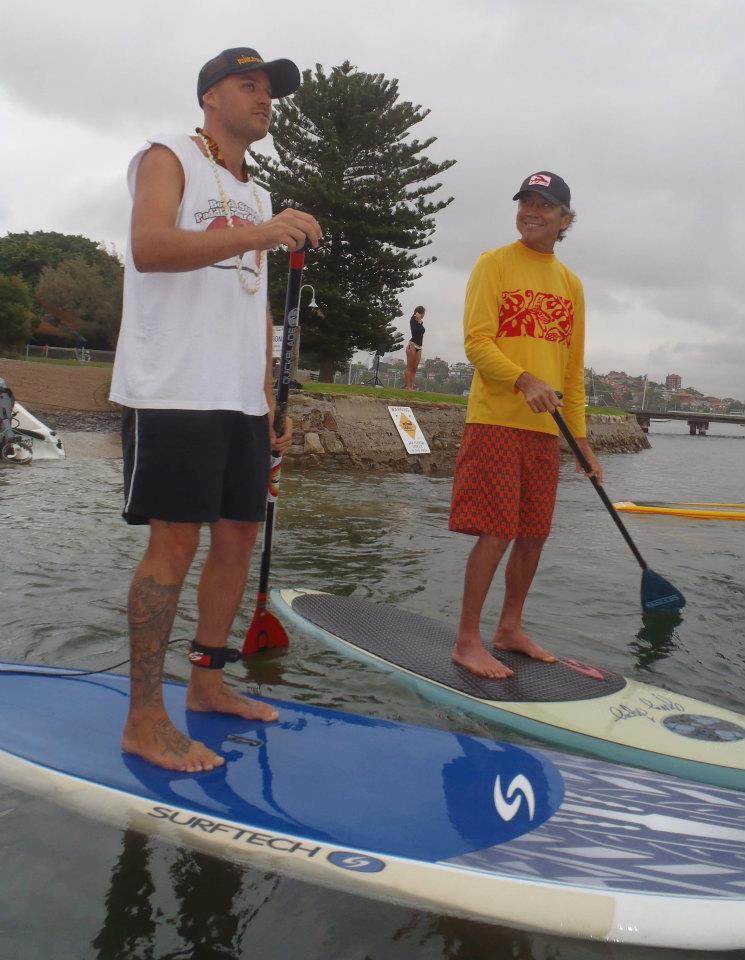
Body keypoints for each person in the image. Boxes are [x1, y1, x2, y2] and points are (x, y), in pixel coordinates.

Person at [109, 47, 322, 772]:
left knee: (235, 538)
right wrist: (262, 234)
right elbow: (148, 247)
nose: (264, 99)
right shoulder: (168, 155)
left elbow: (249, 304)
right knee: (175, 546)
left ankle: (207, 684)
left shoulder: (257, 194)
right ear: (210, 98)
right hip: (171, 389)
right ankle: (143, 719)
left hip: (237, 399)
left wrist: (267, 400)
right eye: (249, 85)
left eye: (270, 91)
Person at [449, 171, 602, 679]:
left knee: (533, 533)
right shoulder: (493, 264)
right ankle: (467, 640)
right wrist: (522, 380)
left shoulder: (571, 285)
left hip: (545, 431)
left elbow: (572, 372)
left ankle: (508, 628)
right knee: (495, 531)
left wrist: (580, 442)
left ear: (564, 219)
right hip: (495, 420)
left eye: (543, 204)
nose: (531, 211)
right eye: (525, 202)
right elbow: (477, 343)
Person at [404, 306, 426, 390]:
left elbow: (422, 331)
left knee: (414, 368)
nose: (424, 315)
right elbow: (416, 331)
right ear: (420, 313)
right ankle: (408, 386)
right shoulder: (413, 320)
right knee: (409, 367)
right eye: (423, 313)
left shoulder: (420, 322)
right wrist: (419, 321)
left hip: (419, 347)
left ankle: (412, 386)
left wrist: (420, 322)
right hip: (412, 345)